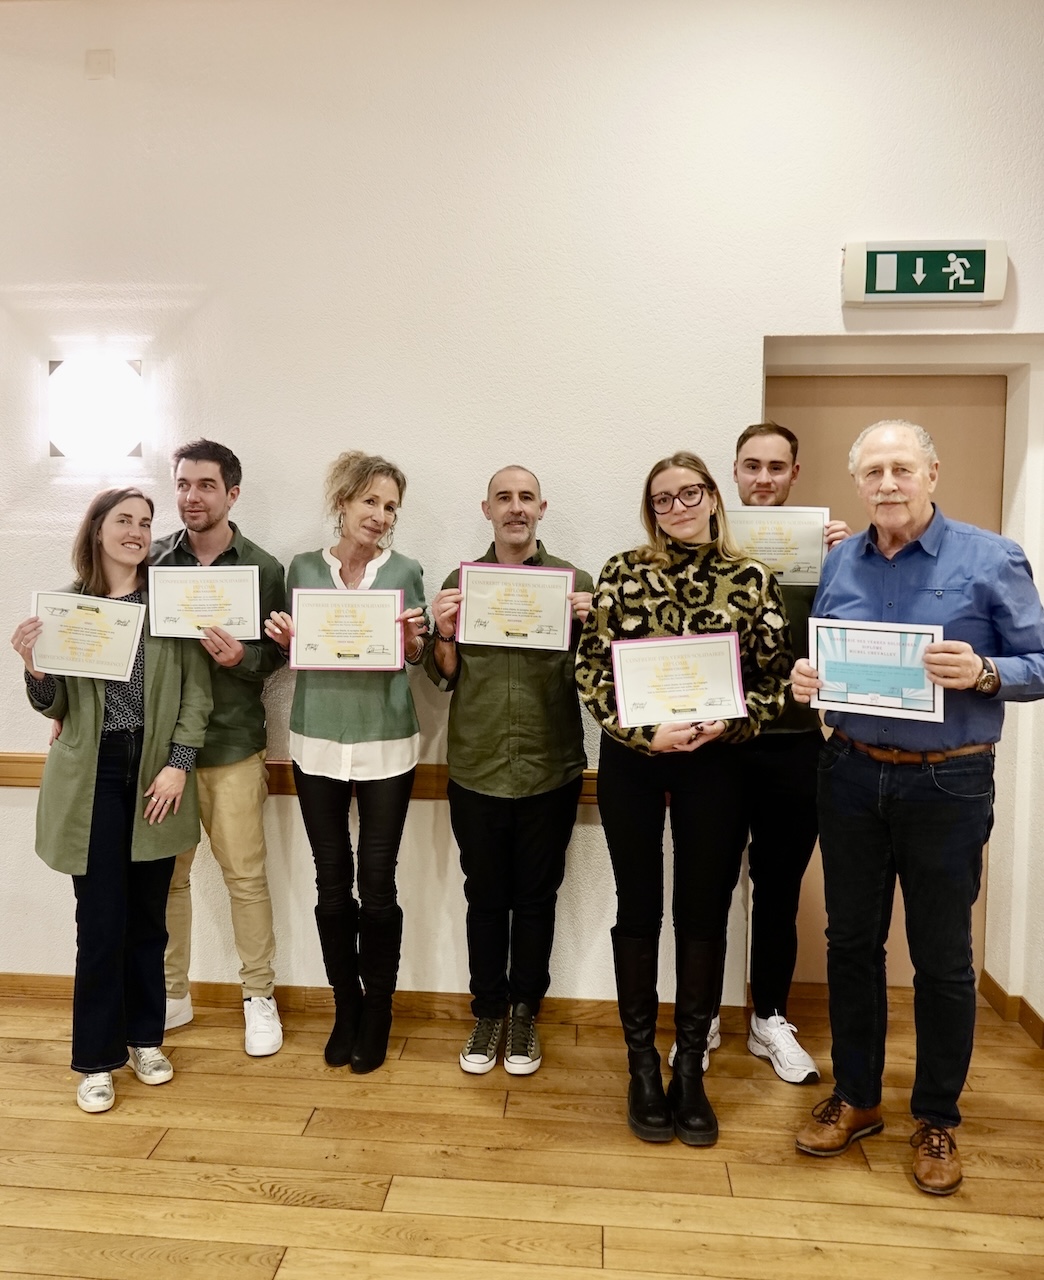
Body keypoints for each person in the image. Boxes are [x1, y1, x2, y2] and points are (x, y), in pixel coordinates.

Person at [791, 420, 1044, 1195]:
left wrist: (986, 671)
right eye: (873, 472)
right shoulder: (840, 560)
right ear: (857, 483)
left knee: (942, 958)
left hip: (948, 783)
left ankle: (936, 1117)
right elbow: (825, 652)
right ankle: (858, 1096)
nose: (888, 483)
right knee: (850, 943)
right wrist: (809, 681)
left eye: (902, 468)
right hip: (849, 773)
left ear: (932, 473)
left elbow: (1039, 662)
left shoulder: (992, 557)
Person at [576, 451, 790, 1146]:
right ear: (651, 510)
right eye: (663, 499)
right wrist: (646, 734)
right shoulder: (620, 571)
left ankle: (689, 1068)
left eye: (689, 493)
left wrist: (730, 723)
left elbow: (774, 684)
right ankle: (642, 1066)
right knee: (638, 909)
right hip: (634, 761)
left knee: (703, 912)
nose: (678, 508)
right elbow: (591, 671)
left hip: (717, 763)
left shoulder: (752, 578)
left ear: (712, 496)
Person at [12, 488, 211, 1113]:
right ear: (97, 529)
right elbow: (55, 706)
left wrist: (179, 766)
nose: (137, 532)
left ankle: (144, 1039)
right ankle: (97, 1060)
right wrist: (34, 668)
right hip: (90, 776)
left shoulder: (167, 607)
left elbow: (197, 694)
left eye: (146, 523)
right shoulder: (65, 608)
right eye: (124, 520)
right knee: (100, 924)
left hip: (155, 773)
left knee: (149, 918)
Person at [423, 466, 592, 1077]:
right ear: (487, 509)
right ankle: (488, 1011)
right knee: (486, 898)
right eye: (504, 498)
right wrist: (444, 632)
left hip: (551, 766)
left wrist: (593, 628)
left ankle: (525, 1013)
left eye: (526, 498)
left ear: (541, 508)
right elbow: (445, 674)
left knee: (537, 898)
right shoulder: (460, 582)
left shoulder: (574, 583)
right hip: (477, 766)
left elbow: (598, 676)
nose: (515, 507)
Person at [265, 451, 428, 1074]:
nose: (380, 516)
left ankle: (379, 1009)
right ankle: (346, 1006)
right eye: (370, 502)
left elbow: (418, 653)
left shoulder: (406, 570)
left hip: (388, 742)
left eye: (390, 507)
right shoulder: (304, 569)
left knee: (378, 884)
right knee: (331, 883)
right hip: (316, 742)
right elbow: (298, 651)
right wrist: (288, 641)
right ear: (343, 501)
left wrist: (414, 641)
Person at [723, 422, 850, 1083]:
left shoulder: (831, 553)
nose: (764, 477)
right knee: (708, 888)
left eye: (777, 466)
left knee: (777, 890)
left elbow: (855, 633)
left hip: (797, 743)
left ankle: (768, 1016)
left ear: (795, 473)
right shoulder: (708, 544)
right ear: (735, 471)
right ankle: (703, 1014)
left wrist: (851, 560)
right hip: (719, 746)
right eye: (753, 465)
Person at [152, 439, 287, 1057]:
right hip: (163, 753)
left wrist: (243, 658)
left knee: (246, 878)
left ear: (232, 494)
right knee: (167, 880)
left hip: (233, 746)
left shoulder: (263, 568)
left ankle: (259, 995)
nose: (191, 497)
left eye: (205, 485)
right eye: (183, 484)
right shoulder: (153, 560)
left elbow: (279, 654)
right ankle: (171, 994)